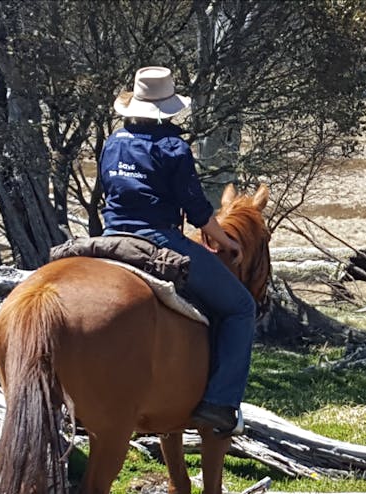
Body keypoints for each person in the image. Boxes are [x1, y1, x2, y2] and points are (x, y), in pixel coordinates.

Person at [99, 66, 255, 436]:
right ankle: (219, 404)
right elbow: (197, 208)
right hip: (158, 240)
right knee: (240, 308)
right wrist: (226, 240)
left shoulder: (113, 142)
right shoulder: (173, 147)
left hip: (109, 237)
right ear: (169, 108)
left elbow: (110, 189)